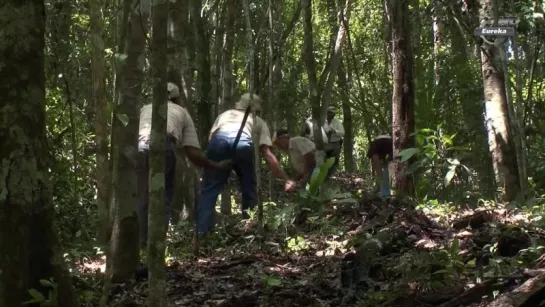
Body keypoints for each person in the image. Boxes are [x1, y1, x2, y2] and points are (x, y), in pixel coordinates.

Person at [137, 82, 231, 249]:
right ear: (177, 98)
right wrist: (216, 166)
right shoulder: (182, 112)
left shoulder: (145, 108)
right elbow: (193, 153)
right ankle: (154, 251)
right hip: (163, 146)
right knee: (162, 199)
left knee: (142, 198)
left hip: (139, 147)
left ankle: (140, 248)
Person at [196, 93, 297, 236]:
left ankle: (202, 233)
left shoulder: (225, 115)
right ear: (256, 108)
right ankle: (250, 229)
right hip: (243, 144)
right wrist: (286, 178)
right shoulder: (258, 121)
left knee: (210, 189)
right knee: (249, 187)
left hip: (218, 142)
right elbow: (267, 154)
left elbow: (212, 137)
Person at [366, 135, 393, 199]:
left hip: (380, 143)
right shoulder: (386, 145)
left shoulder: (375, 145)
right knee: (386, 169)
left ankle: (385, 195)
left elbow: (374, 159)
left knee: (382, 174)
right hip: (390, 141)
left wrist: (375, 175)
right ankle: (385, 192)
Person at [323, 106, 345, 177]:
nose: (332, 115)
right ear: (327, 113)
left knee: (334, 160)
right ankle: (324, 176)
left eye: (333, 113)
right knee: (324, 159)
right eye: (330, 113)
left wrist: (335, 131)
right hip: (325, 144)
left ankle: (331, 175)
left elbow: (342, 133)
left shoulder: (337, 122)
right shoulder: (323, 121)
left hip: (335, 143)